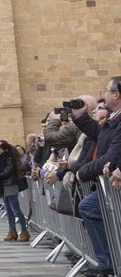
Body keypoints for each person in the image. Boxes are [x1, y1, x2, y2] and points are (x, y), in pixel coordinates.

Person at [75, 81, 121, 277]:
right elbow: (100, 134)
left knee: (90, 208)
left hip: (113, 180)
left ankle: (110, 260)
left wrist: (82, 172)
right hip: (109, 180)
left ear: (117, 95)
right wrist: (81, 116)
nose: (104, 94)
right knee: (89, 207)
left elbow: (111, 155)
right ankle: (108, 260)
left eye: (107, 91)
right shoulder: (113, 120)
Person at [0, 139, 29, 242]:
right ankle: (12, 230)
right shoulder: (1, 158)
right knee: (8, 210)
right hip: (3, 185)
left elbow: (7, 172)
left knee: (16, 209)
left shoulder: (10, 158)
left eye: (0, 149)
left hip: (10, 184)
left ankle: (23, 230)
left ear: (5, 149)